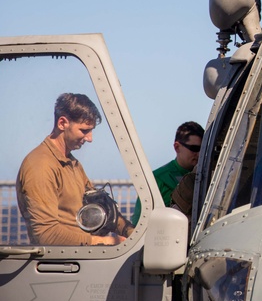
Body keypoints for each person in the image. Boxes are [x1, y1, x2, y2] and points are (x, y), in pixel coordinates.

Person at [16, 93, 131, 246]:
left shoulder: (72, 164)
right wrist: (104, 241)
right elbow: (45, 235)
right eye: (84, 130)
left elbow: (101, 207)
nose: (90, 138)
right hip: (61, 264)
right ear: (62, 123)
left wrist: (132, 233)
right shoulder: (40, 165)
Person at [130, 121, 204, 224]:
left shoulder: (208, 176)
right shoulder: (157, 179)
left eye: (203, 149)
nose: (199, 154)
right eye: (194, 149)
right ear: (177, 147)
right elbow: (140, 222)